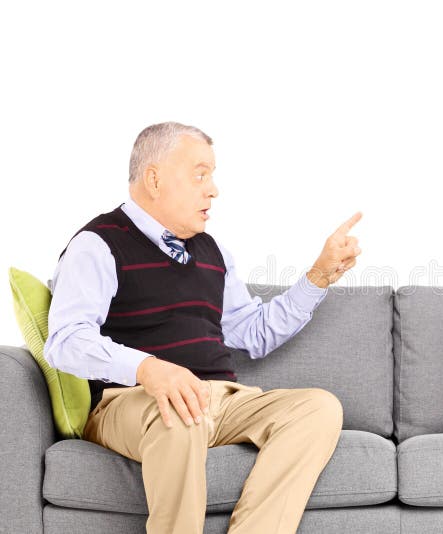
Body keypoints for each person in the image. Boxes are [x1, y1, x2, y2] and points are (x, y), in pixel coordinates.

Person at [44, 122, 362, 534]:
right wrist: (149, 369)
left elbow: (253, 332)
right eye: (200, 174)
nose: (213, 190)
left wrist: (317, 277)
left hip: (219, 399)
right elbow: (66, 340)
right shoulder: (98, 244)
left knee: (318, 408)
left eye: (212, 176)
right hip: (132, 402)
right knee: (181, 411)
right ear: (154, 178)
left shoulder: (213, 252)